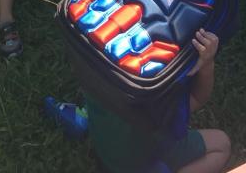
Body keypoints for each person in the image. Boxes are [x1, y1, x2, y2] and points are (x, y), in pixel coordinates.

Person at [86, 27, 231, 173]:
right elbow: (197, 98)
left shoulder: (92, 67)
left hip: (107, 150)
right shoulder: (159, 102)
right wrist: (207, 63)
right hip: (143, 160)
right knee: (221, 144)